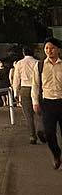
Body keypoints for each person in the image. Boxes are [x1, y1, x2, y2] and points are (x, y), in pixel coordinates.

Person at [40, 40, 62, 169]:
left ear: (58, 49)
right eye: (47, 48)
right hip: (48, 102)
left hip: (61, 100)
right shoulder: (40, 65)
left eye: (52, 48)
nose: (49, 51)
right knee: (49, 133)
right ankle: (56, 154)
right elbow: (35, 85)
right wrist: (35, 102)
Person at [12, 47, 40, 143]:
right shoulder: (37, 62)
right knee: (40, 112)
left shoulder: (19, 63)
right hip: (37, 88)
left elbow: (16, 79)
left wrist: (15, 92)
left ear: (23, 53)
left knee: (28, 115)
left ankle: (32, 136)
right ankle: (41, 130)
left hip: (24, 88)